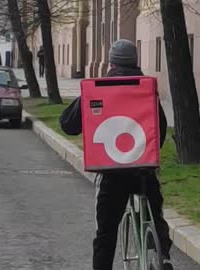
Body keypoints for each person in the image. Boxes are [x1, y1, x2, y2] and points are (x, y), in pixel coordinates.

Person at [59, 39, 173, 270]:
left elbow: (68, 125)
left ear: (110, 63)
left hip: (113, 173)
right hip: (143, 170)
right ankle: (164, 256)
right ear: (135, 61)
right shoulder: (145, 87)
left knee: (106, 233)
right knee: (156, 214)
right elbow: (158, 126)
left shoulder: (98, 88)